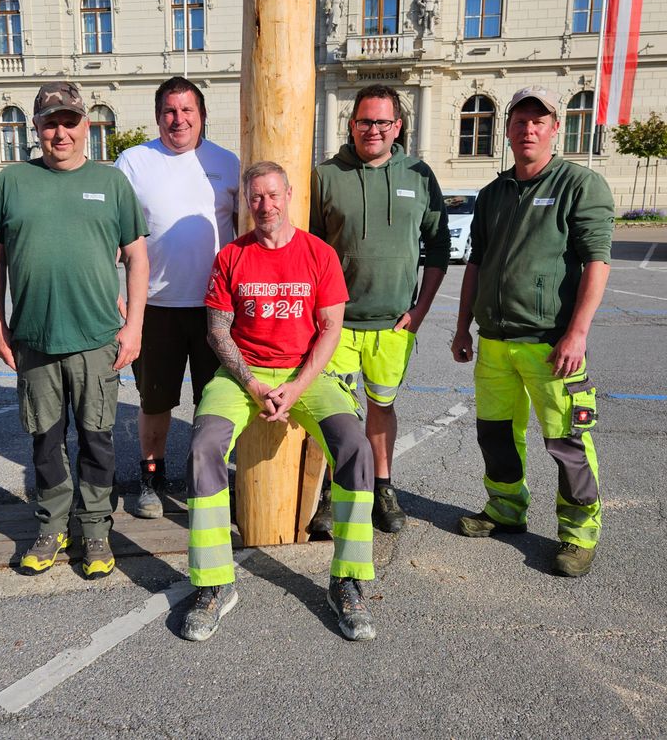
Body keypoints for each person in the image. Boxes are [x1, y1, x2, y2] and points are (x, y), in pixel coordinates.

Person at [180, 162, 376, 643]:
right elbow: (218, 331)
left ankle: (346, 580)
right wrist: (253, 386)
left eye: (272, 195)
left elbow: (330, 328)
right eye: (255, 198)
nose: (264, 206)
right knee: (204, 447)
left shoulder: (319, 254)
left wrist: (295, 386)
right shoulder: (231, 257)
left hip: (306, 373)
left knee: (355, 448)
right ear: (246, 201)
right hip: (242, 376)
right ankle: (214, 584)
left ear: (289, 195)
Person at [0, 81, 149, 579]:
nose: (61, 131)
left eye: (69, 121)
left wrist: (134, 326)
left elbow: (137, 256)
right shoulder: (12, 182)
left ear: (85, 125)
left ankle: (95, 530)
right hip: (33, 339)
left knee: (97, 440)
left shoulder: (112, 183)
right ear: (36, 127)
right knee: (45, 440)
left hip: (97, 339)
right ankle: (52, 526)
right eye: (50, 122)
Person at [451, 86, 613, 577]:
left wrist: (577, 333)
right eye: (520, 121)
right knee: (496, 434)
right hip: (496, 342)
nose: (528, 130)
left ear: (554, 129)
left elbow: (596, 262)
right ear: (508, 130)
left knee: (567, 442)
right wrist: (463, 326)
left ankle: (578, 534)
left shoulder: (580, 185)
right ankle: (504, 509)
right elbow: (475, 262)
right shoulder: (495, 192)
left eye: (538, 121)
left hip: (551, 346)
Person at [310, 84, 449, 535]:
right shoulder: (326, 176)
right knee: (338, 412)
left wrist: (422, 308)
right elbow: (307, 251)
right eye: (365, 121)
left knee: (381, 407)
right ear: (351, 125)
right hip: (338, 324)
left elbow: (439, 248)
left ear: (398, 127)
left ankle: (383, 486)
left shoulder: (420, 175)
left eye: (383, 122)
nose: (373, 130)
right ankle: (336, 490)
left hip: (394, 324)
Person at [116, 77, 238, 519]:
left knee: (216, 399)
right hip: (155, 307)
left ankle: (207, 476)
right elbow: (114, 234)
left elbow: (246, 233)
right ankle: (151, 475)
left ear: (202, 115)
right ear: (157, 116)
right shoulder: (134, 162)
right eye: (169, 111)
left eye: (187, 110)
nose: (178, 119)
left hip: (216, 309)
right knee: (155, 399)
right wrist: (119, 294)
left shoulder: (227, 163)